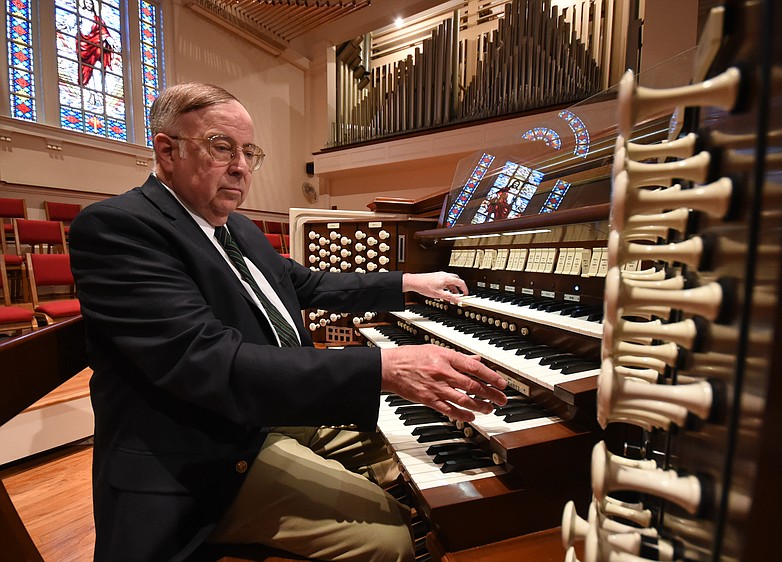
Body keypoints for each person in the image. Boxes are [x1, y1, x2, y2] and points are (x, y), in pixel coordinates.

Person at [69, 82, 508, 562]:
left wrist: (407, 283)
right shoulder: (121, 227)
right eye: (222, 147)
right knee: (389, 540)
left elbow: (307, 284)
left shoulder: (235, 226)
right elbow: (208, 362)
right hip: (202, 451)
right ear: (167, 150)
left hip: (267, 413)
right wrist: (386, 367)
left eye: (249, 152)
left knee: (425, 454)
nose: (240, 166)